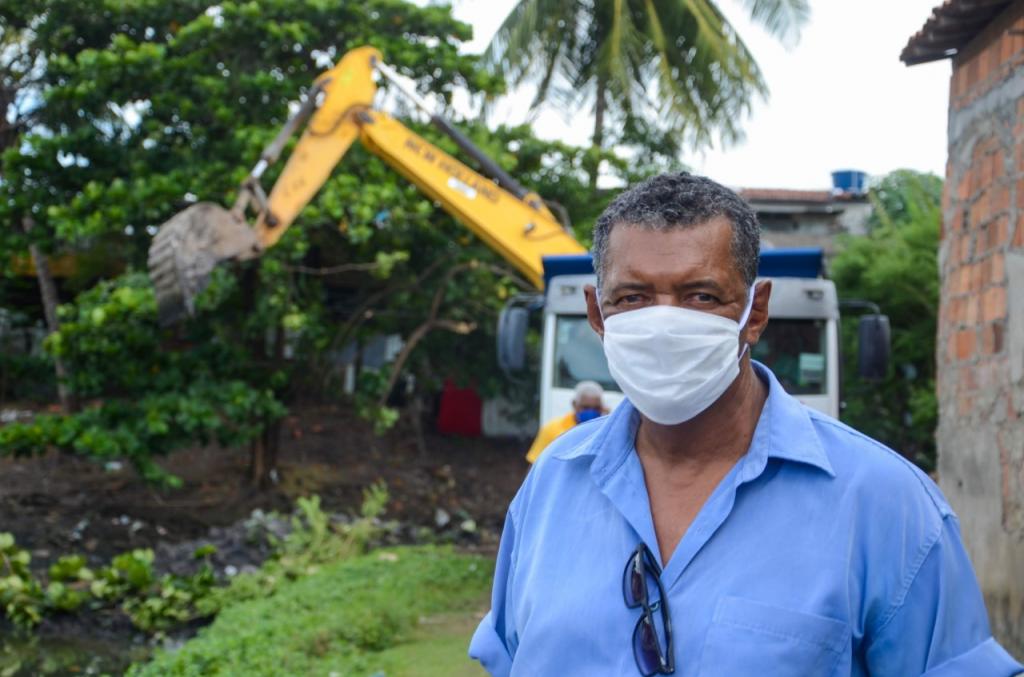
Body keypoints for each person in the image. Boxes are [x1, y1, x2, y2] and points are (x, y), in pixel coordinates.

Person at [470, 173, 1023, 676]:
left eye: (701, 296)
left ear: (754, 313)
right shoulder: (551, 486)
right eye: (633, 297)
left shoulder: (886, 505)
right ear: (597, 314)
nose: (664, 324)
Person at [525, 380, 605, 464]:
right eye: (586, 407)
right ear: (574, 404)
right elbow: (535, 464)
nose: (591, 412)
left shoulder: (606, 430)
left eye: (596, 408)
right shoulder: (552, 428)